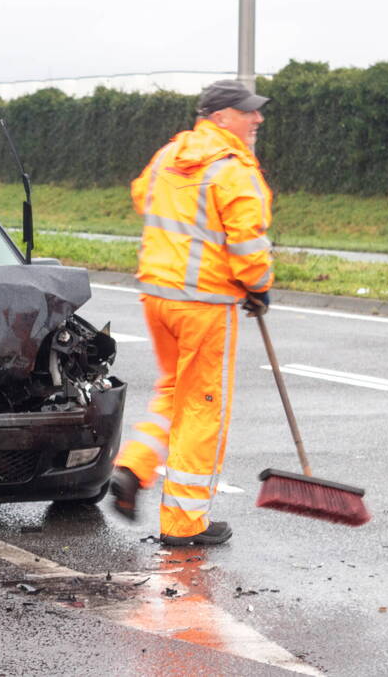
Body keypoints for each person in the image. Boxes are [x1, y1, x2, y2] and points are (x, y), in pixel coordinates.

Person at [110, 80, 274, 546]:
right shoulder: (232, 168)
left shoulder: (170, 155)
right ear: (221, 117)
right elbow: (248, 242)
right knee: (202, 408)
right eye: (248, 111)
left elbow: (143, 197)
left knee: (173, 392)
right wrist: (258, 289)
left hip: (158, 296)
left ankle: (133, 467)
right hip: (204, 305)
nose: (257, 119)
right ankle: (185, 524)